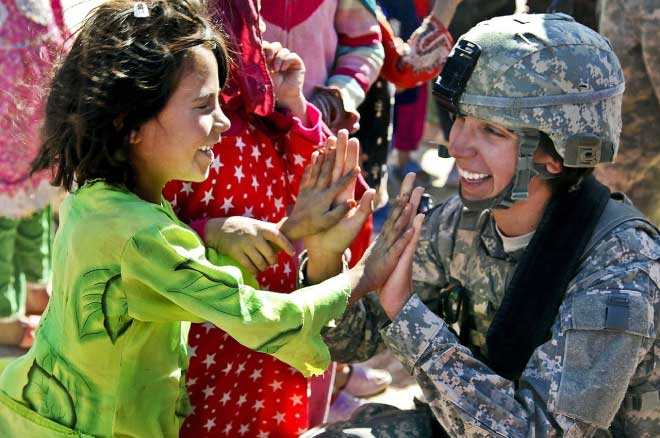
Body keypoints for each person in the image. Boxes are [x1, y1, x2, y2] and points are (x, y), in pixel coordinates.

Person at [0, 1, 424, 436]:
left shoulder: (102, 199)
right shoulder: (140, 231)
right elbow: (263, 318)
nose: (223, 122)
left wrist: (289, 230)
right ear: (130, 122)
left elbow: (188, 277)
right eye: (204, 106)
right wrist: (364, 275)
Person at [305, 13, 660, 437]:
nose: (456, 145)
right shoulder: (459, 225)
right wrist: (326, 263)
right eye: (459, 118)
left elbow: (537, 431)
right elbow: (352, 343)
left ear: (557, 152)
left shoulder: (622, 271)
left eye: (491, 130)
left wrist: (407, 315)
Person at [0, 0, 65, 348]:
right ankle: (5, 315)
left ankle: (37, 288)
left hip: (30, 126)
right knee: (2, 228)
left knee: (33, 212)